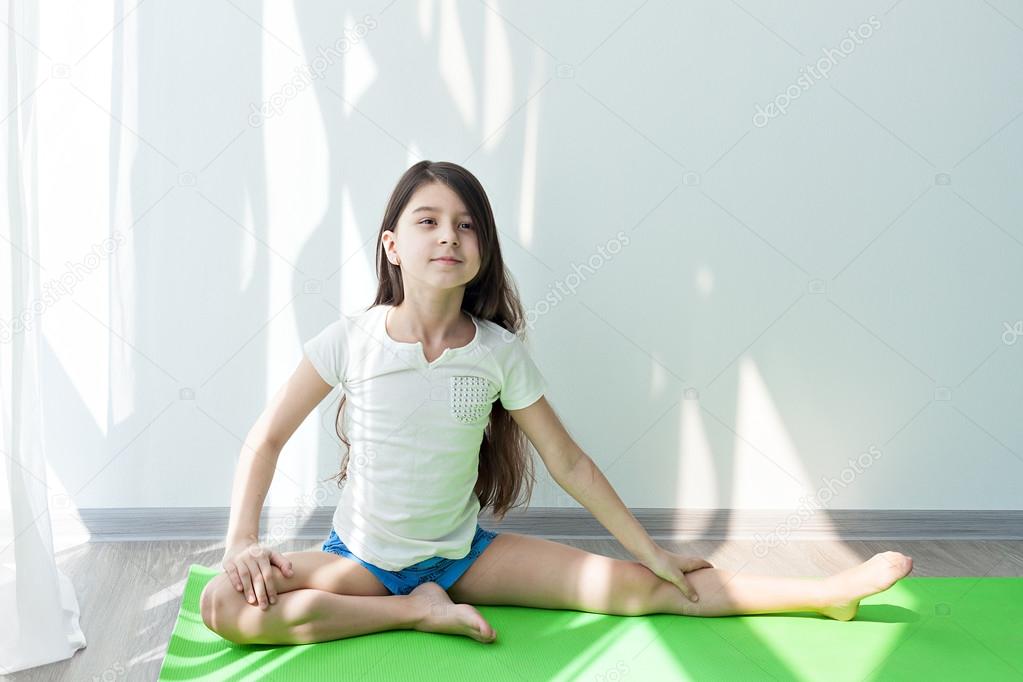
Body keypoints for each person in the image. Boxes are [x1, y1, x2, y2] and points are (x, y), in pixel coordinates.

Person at [198, 160, 913, 646]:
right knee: (223, 606)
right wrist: (240, 542)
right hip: (360, 559)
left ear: (481, 250)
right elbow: (264, 439)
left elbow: (567, 461)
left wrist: (649, 550)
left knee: (643, 589)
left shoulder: (496, 351)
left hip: (462, 558)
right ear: (391, 245)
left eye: (467, 224)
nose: (449, 233)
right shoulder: (348, 339)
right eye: (427, 221)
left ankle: (826, 593)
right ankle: (410, 615)